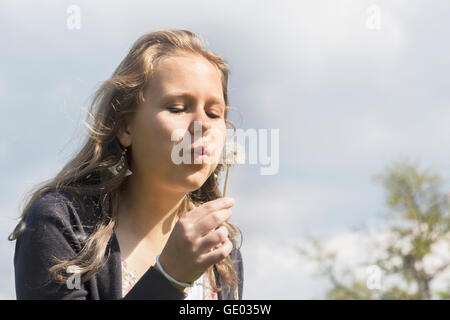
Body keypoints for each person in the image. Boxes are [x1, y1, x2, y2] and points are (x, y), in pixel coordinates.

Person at [9, 29, 244, 300]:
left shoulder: (221, 250)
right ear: (125, 126)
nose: (202, 125)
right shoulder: (62, 223)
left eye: (214, 113)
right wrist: (169, 278)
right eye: (177, 108)